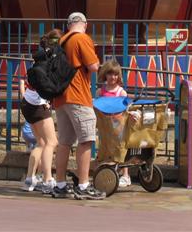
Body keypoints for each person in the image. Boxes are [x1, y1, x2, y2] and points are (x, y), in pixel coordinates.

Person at [50, 12, 104, 200]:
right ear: (85, 24)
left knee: (64, 142)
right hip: (78, 95)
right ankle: (83, 185)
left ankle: (60, 185)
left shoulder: (62, 41)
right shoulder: (82, 38)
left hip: (60, 98)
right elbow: (93, 66)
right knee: (86, 140)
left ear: (68, 25)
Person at [21, 30, 61, 194]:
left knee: (41, 143)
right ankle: (47, 179)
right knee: (52, 142)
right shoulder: (50, 61)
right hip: (39, 105)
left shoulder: (38, 59)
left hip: (27, 103)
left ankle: (30, 178)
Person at [96, 59, 133, 188]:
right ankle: (108, 172)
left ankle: (126, 175)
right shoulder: (100, 91)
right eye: (110, 74)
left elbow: (127, 109)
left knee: (120, 149)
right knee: (105, 148)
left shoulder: (121, 92)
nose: (113, 77)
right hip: (105, 126)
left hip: (118, 126)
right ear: (105, 74)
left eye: (116, 74)